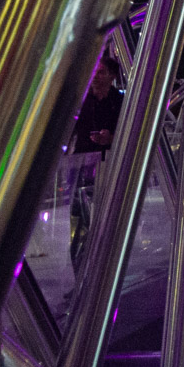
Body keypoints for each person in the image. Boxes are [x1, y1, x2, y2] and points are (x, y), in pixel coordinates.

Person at [67, 56, 124, 270]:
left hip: (107, 169)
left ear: (112, 76)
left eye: (100, 73)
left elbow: (128, 133)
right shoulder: (82, 101)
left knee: (105, 224)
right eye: (94, 72)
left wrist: (110, 138)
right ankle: (80, 276)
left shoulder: (119, 102)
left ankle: (103, 273)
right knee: (79, 223)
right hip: (81, 169)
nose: (95, 77)